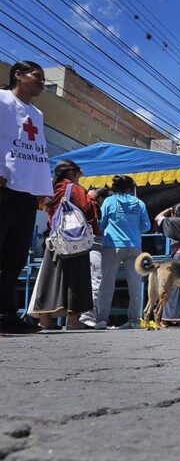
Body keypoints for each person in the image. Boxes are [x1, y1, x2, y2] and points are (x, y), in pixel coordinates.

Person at [0, 61, 53, 333]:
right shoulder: (2, 99)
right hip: (3, 185)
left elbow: (37, 151)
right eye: (38, 76)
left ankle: (7, 316)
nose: (43, 82)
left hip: (25, 192)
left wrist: (42, 186)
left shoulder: (37, 113)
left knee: (15, 256)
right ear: (18, 75)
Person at [28, 160, 99, 329]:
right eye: (78, 174)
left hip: (55, 240)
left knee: (50, 280)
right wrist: (92, 199)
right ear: (71, 172)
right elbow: (87, 210)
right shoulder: (74, 189)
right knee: (75, 280)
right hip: (73, 241)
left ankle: (45, 319)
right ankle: (74, 321)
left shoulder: (50, 189)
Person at [94, 175, 151, 329]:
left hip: (112, 245)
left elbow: (101, 223)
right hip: (134, 246)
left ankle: (101, 320)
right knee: (135, 285)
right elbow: (146, 226)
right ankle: (134, 321)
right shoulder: (139, 203)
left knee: (106, 283)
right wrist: (133, 229)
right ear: (130, 188)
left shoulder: (108, 201)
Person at [79, 186, 111, 328]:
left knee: (93, 282)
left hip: (90, 247)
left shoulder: (90, 208)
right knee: (96, 282)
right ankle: (87, 316)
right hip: (95, 248)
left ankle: (90, 316)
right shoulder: (95, 209)